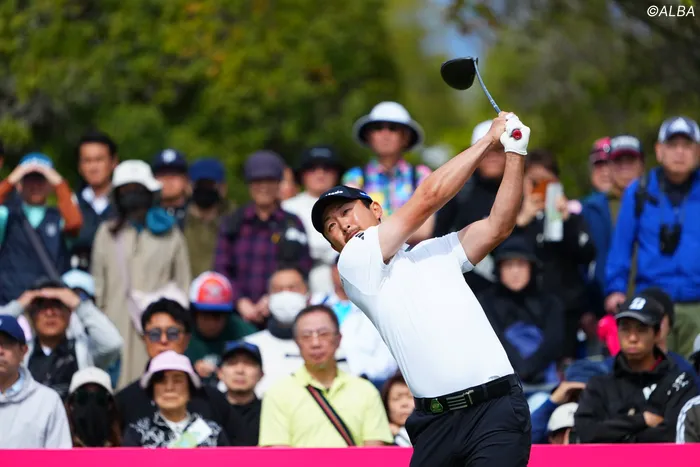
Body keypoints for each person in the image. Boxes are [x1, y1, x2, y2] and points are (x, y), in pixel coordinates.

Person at [311, 112, 532, 466]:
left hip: (495, 410)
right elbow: (429, 196)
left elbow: (498, 226)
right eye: (331, 227)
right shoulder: (354, 263)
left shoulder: (435, 251)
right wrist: (488, 140)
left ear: (376, 209)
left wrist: (515, 154)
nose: (343, 226)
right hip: (435, 423)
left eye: (347, 211)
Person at [91, 159, 191, 389]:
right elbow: (99, 287)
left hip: (157, 329)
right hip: (115, 324)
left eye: (137, 189)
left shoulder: (170, 232)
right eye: (125, 190)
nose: (132, 196)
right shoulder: (107, 233)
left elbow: (182, 283)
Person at [605, 116, 700, 358]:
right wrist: (615, 288)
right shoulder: (639, 191)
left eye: (687, 145)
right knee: (651, 372)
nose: (680, 152)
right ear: (659, 151)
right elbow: (621, 247)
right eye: (673, 145)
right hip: (652, 303)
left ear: (697, 152)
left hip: (697, 303)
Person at [259, 305, 393, 447]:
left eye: (323, 334)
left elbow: (374, 453)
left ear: (338, 339)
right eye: (306, 336)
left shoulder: (366, 391)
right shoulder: (278, 393)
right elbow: (278, 453)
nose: (315, 343)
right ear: (297, 343)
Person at [114, 298, 245, 444]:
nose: (163, 340)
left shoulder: (213, 399)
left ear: (187, 339)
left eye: (172, 333)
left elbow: (239, 449)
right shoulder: (124, 401)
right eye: (155, 334)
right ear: (144, 339)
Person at [574, 294, 698, 443]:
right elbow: (586, 432)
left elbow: (674, 434)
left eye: (641, 329)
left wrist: (614, 434)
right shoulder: (599, 385)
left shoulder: (680, 383)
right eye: (625, 329)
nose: (632, 338)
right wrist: (641, 420)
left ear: (657, 333)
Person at [214, 150, 312, 328]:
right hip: (237, 316)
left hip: (282, 315)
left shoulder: (292, 223)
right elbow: (221, 268)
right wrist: (240, 302)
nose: (264, 187)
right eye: (257, 181)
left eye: (270, 181)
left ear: (279, 184)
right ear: (249, 184)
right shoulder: (233, 222)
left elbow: (302, 268)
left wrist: (273, 298)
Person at [2, 278, 123, 399]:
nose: (50, 313)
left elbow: (113, 344)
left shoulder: (85, 351)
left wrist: (79, 304)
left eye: (57, 305)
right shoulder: (20, 354)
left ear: (70, 312)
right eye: (42, 306)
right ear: (31, 314)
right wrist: (18, 305)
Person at [244, 267, 351, 397]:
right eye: (278, 290)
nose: (285, 295)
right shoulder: (250, 345)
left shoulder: (330, 345)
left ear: (308, 294)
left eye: (292, 288)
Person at [344, 101, 434, 244]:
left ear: (406, 137)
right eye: (378, 128)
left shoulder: (421, 174)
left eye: (393, 128)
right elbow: (354, 225)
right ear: (369, 136)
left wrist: (376, 226)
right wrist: (407, 226)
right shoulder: (355, 176)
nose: (385, 134)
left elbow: (424, 230)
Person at [433, 120, 506, 294]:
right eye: (486, 149)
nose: (492, 156)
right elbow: (438, 238)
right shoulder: (458, 191)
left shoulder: (526, 190)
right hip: (464, 290)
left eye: (499, 149)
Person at [0, 153, 83, 305]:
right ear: (19, 184)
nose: (35, 186)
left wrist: (60, 184)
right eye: (29, 180)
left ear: (50, 184)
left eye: (41, 180)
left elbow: (75, 223)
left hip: (49, 304)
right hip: (10, 301)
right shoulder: (6, 215)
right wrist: (11, 179)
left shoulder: (58, 217)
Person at [582, 135, 645, 311]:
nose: (624, 168)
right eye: (618, 161)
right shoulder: (591, 208)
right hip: (605, 304)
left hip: (650, 299)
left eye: (630, 161)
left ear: (642, 165)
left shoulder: (656, 202)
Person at [122, 350, 230, 447]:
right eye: (161, 381)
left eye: (177, 380)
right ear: (152, 390)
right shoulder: (137, 433)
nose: (169, 388)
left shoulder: (212, 431)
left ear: (190, 388)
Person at [0, 314, 72, 448]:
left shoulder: (47, 401)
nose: (0, 351)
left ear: (24, 351)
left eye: (7, 343)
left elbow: (60, 456)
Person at [282, 146, 345, 295]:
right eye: (312, 168)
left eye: (327, 168)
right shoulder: (287, 208)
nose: (320, 173)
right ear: (302, 174)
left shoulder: (350, 205)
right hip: (301, 282)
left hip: (344, 278)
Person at [185, 271, 257, 384]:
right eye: (205, 315)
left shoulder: (246, 333)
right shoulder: (180, 334)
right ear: (194, 313)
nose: (212, 322)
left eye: (217, 315)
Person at [72, 131, 118, 270]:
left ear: (114, 162)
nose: (93, 167)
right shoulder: (72, 203)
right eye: (87, 161)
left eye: (99, 160)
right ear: (79, 166)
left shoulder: (124, 203)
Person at [184, 158, 232, 277]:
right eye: (200, 185)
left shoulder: (234, 222)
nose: (205, 190)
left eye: (210, 185)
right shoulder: (178, 222)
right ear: (189, 187)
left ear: (223, 188)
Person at [216, 341, 263, 446]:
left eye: (248, 363)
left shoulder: (270, 412)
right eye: (232, 363)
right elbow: (183, 446)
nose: (240, 370)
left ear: (261, 374)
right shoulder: (208, 410)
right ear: (220, 373)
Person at [65, 367, 121, 447]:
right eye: (82, 396)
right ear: (71, 404)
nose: (91, 405)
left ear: (110, 404)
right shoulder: (59, 447)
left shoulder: (124, 449)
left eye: (100, 397)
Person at [152, 148, 190, 229]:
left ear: (185, 179)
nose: (168, 179)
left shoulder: (200, 214)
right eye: (162, 174)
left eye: (174, 174)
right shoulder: (144, 215)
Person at [381, 372, 414, 446]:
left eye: (410, 397)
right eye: (396, 398)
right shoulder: (380, 437)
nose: (404, 403)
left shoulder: (432, 431)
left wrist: (399, 433)